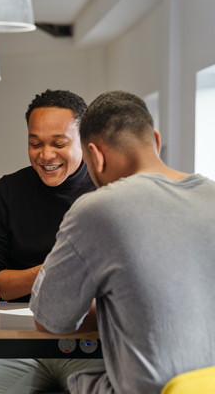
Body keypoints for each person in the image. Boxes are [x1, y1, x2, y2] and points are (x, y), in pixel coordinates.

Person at [30, 91, 215, 394]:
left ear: (95, 156)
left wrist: (111, 305)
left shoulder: (98, 209)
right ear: (155, 140)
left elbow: (49, 319)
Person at [0, 90, 103, 394]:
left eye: (59, 143)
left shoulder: (108, 190)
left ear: (84, 140)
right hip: (19, 339)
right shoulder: (8, 192)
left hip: (93, 340)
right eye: (35, 143)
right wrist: (51, 271)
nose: (45, 155)